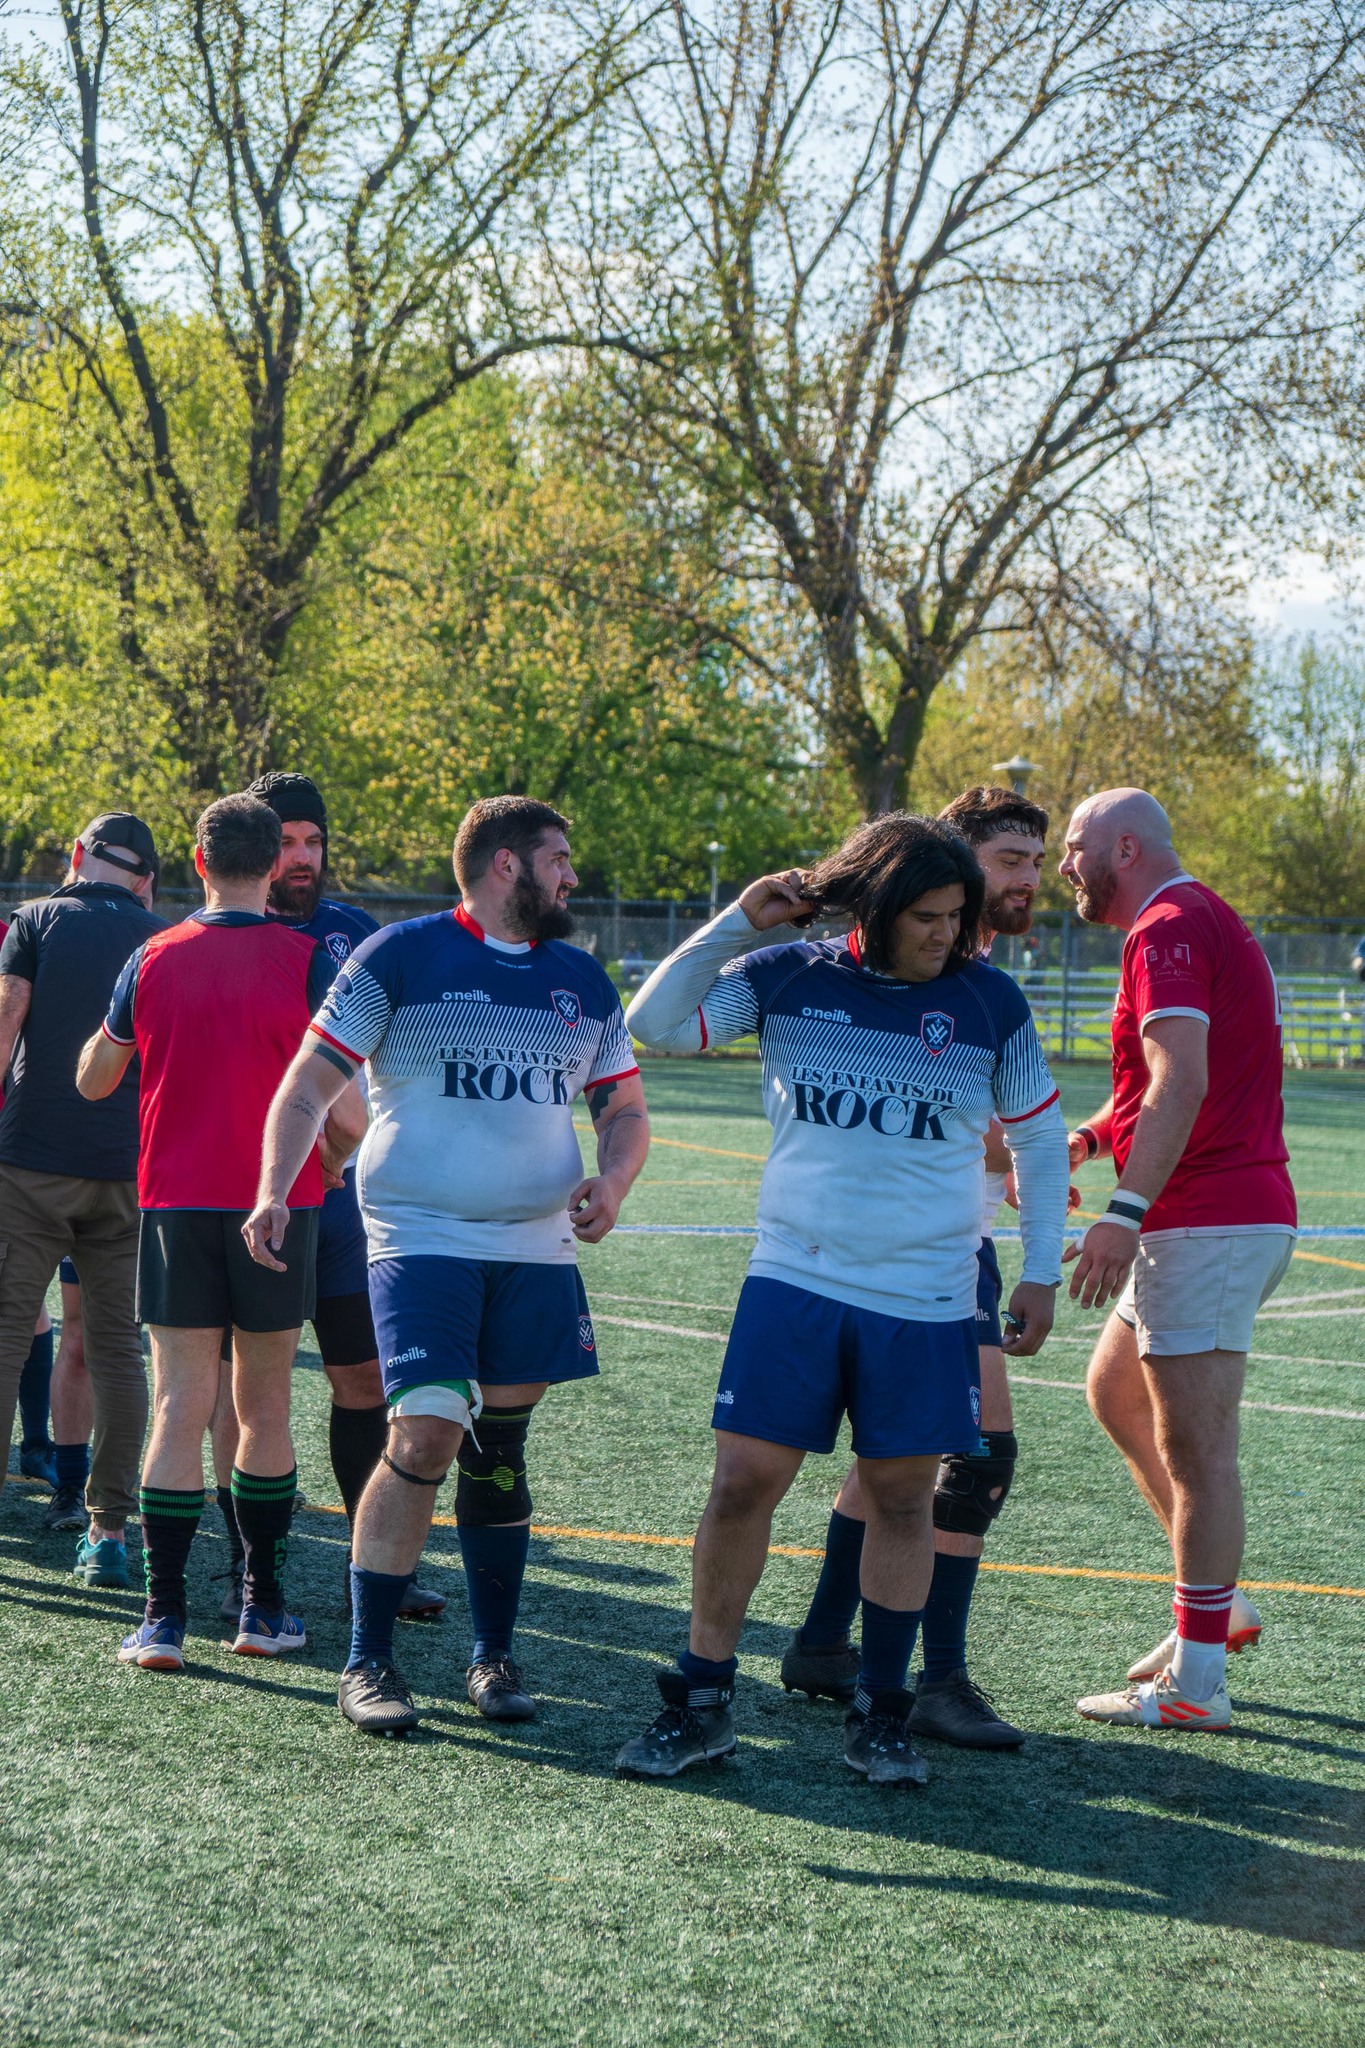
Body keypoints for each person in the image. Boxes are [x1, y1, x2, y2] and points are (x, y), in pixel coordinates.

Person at [614, 815, 1070, 1787]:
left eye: (958, 915)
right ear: (874, 907)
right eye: (928, 917)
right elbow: (652, 1026)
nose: (948, 934)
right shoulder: (791, 975)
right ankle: (700, 1698)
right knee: (743, 1481)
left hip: (926, 1295)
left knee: (905, 1494)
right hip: (796, 1284)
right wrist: (739, 922)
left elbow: (1037, 1136)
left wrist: (1039, 1268)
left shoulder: (988, 1001)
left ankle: (882, 1711)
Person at [244, 796, 650, 1737]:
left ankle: (492, 1656)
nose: (571, 876)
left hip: (536, 1243)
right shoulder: (399, 955)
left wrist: (616, 1179)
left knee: (499, 1451)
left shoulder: (581, 980)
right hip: (419, 1232)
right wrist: (274, 1186)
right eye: (559, 858)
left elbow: (622, 1107)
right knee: (426, 1432)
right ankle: (367, 1661)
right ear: (507, 865)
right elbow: (308, 1084)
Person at [781, 785, 1057, 1749]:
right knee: (972, 1459)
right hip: (906, 1256)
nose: (1032, 877)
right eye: (1013, 859)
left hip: (950, 1248)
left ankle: (822, 1642)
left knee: (896, 1457)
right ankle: (935, 1679)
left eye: (1036, 857)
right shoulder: (914, 972)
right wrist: (1013, 1160)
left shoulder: (976, 978)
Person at [77, 794, 365, 1671]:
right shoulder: (311, 959)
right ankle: (261, 1609)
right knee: (265, 1406)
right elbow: (346, 1109)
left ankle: (163, 1619)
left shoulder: (152, 955)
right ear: (274, 865)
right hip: (278, 1206)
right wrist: (333, 1162)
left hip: (173, 1205)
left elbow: (94, 1078)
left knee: (177, 1407)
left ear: (197, 864)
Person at [1059, 788, 1296, 1732]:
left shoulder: (1165, 924)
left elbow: (1182, 1080)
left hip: (1205, 1219)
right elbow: (1159, 1084)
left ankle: (1197, 1685)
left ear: (1123, 846)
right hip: (1208, 1216)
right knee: (1114, 1391)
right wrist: (1084, 1139)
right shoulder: (1187, 918)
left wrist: (1122, 1210)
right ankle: (1218, 1606)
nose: (1066, 868)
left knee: (1196, 1452)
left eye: (1074, 848)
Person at [233, 771, 441, 1624]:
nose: (302, 858)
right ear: (253, 847)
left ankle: (374, 1561)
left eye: (313, 842)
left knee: (362, 1378)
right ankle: (243, 1569)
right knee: (241, 1396)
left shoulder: (356, 937)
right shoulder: (218, 933)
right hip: (248, 1200)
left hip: (348, 1206)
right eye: (285, 842)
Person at [0, 815, 163, 1588]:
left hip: (31, 1157)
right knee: (118, 1355)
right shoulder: (161, 938)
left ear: (76, 858)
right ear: (144, 879)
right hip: (129, 1168)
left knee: (5, 1337)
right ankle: (108, 1532)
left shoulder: (35, 918)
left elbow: (6, 1021)